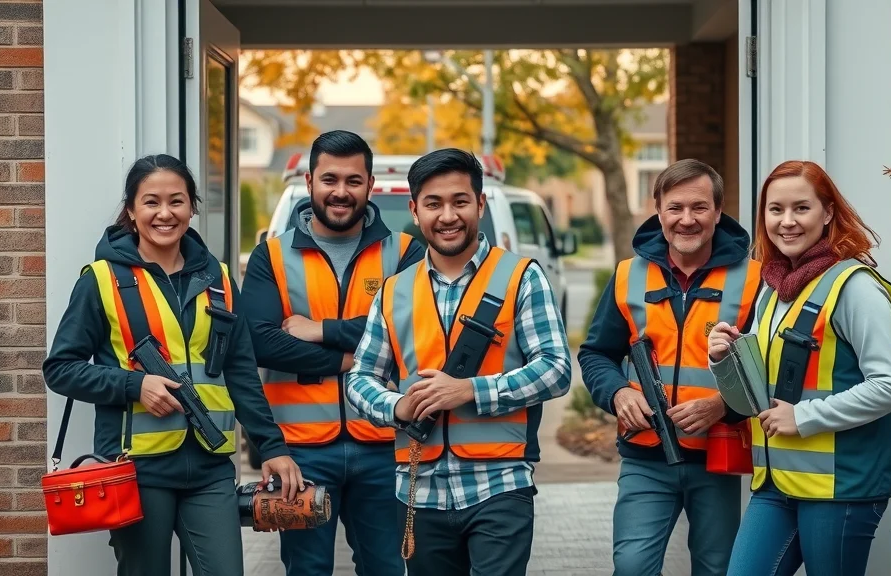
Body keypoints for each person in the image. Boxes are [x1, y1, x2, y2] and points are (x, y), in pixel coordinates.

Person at [42, 153, 296, 576]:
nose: (165, 213)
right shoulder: (101, 279)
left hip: (211, 466)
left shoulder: (219, 279)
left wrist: (273, 448)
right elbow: (61, 368)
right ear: (131, 210)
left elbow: (240, 374)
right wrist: (133, 386)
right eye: (151, 202)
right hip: (135, 470)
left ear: (193, 207)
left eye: (177, 201)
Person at [345, 148, 572, 576]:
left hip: (500, 485)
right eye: (433, 204)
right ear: (415, 209)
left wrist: (470, 390)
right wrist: (397, 407)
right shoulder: (394, 291)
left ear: (480, 204)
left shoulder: (522, 276)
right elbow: (359, 379)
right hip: (419, 489)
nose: (447, 215)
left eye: (460, 201)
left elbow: (557, 369)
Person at [707, 160, 891, 576]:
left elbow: (889, 387)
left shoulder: (855, 287)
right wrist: (725, 360)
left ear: (828, 213)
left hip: (841, 487)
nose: (787, 221)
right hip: (776, 483)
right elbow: (758, 396)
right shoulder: (772, 288)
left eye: (801, 208)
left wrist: (803, 416)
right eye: (775, 209)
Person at [239, 130, 423, 576]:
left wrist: (318, 329)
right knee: (307, 570)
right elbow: (261, 342)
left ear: (370, 184)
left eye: (353, 181)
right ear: (309, 181)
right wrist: (354, 359)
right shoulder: (272, 257)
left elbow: (411, 333)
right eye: (330, 179)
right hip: (300, 454)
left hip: (385, 448)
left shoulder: (404, 252)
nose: (341, 192)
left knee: (387, 568)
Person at [578, 159, 762, 576]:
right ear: (658, 209)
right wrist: (618, 393)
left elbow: (766, 369)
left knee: (716, 568)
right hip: (645, 456)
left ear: (718, 211)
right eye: (675, 208)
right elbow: (595, 354)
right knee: (631, 566)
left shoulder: (754, 279)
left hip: (717, 454)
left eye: (699, 208)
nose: (686, 219)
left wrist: (722, 406)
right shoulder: (628, 276)